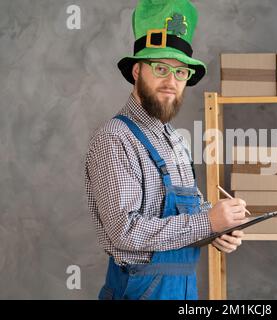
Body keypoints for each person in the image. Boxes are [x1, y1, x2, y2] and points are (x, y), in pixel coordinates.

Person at [84, 0, 248, 300]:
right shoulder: (115, 138)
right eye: (160, 68)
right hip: (137, 292)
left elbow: (193, 213)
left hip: (183, 291)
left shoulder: (175, 140)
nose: (171, 82)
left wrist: (216, 230)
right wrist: (207, 222)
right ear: (137, 71)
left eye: (181, 72)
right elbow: (125, 230)